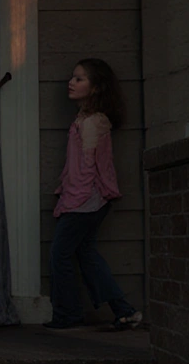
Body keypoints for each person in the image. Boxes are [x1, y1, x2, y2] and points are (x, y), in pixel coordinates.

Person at [45, 59, 142, 331]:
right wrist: (64, 187)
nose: (71, 82)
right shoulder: (84, 120)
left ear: (96, 88)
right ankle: (124, 311)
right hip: (84, 197)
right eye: (72, 77)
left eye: (79, 79)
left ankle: (67, 314)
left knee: (60, 254)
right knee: (85, 253)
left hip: (86, 199)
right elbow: (76, 165)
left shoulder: (94, 122)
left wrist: (72, 199)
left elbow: (88, 167)